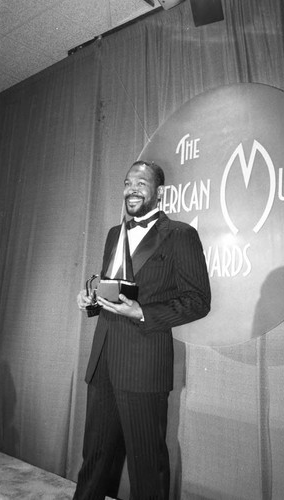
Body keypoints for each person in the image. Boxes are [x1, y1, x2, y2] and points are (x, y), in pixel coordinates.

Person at [73, 160, 211, 500]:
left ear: (159, 192)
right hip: (104, 360)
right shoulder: (113, 234)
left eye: (141, 182)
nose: (132, 188)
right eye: (127, 182)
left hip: (143, 366)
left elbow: (198, 301)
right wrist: (91, 301)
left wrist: (142, 312)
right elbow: (114, 290)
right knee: (94, 458)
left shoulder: (180, 234)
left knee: (146, 466)